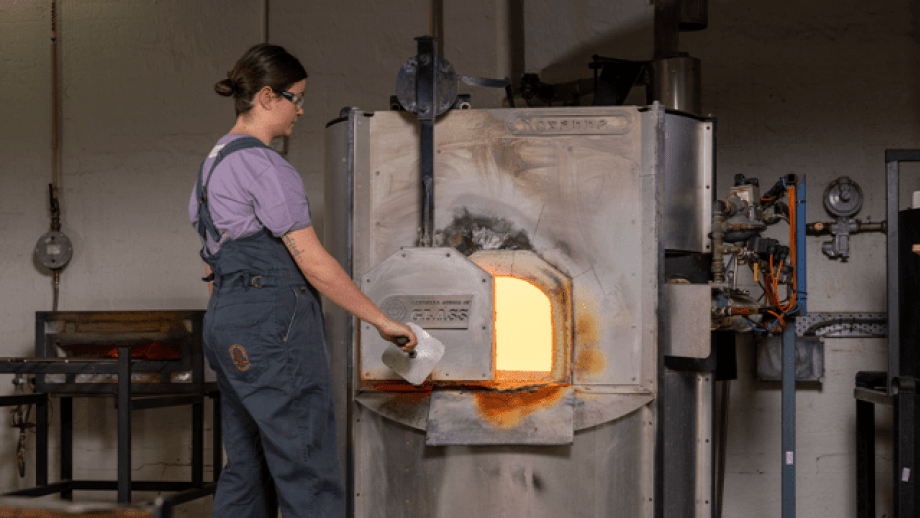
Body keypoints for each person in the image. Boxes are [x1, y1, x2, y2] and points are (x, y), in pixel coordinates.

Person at [190, 43, 417, 518]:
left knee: (246, 466)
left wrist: (232, 321)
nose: (301, 109)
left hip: (226, 321)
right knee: (306, 464)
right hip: (273, 322)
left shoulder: (210, 168)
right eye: (296, 98)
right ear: (268, 97)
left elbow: (214, 269)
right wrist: (380, 320)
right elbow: (312, 261)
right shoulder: (265, 165)